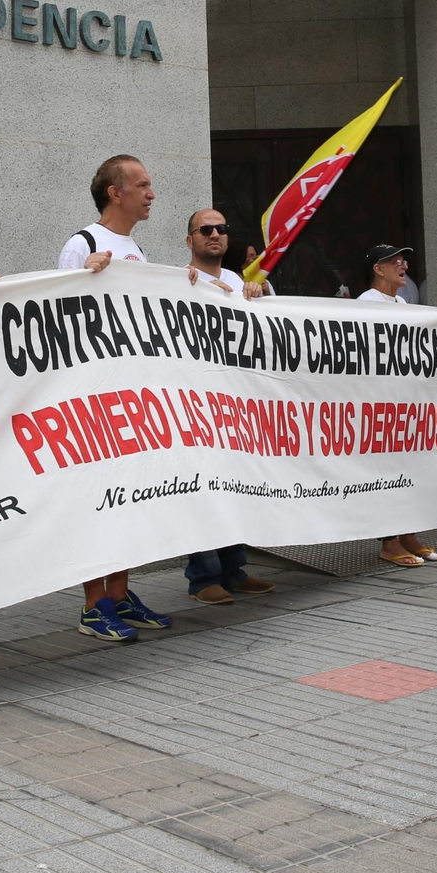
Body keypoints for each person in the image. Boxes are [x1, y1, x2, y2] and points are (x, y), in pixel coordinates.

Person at [57, 155, 174, 641]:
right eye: (142, 185)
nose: (151, 193)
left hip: (136, 397)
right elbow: (58, 313)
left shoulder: (135, 251)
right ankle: (92, 604)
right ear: (114, 192)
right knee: (100, 500)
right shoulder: (82, 244)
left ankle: (120, 594)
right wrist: (81, 275)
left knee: (132, 501)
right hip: (97, 400)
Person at [183, 209, 279, 602]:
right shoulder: (179, 281)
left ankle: (234, 571)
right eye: (205, 229)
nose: (215, 234)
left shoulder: (238, 281)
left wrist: (258, 293)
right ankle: (203, 579)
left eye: (222, 228)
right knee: (204, 490)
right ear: (189, 240)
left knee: (235, 488)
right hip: (197, 402)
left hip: (236, 404)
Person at [359, 245, 437, 565]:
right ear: (378, 270)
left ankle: (408, 533)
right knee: (386, 473)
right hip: (380, 403)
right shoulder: (366, 303)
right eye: (394, 261)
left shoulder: (402, 302)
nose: (402, 264)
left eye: (403, 259)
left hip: (404, 402)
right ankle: (389, 542)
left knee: (408, 469)